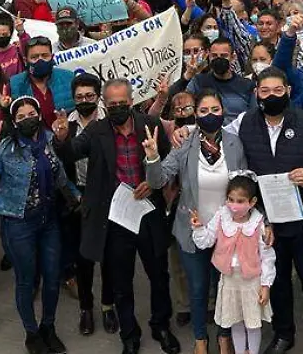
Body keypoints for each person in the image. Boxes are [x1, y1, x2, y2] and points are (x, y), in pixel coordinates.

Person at [54, 79, 182, 354]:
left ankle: (161, 325)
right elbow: (70, 154)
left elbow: (169, 164)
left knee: (159, 275)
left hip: (149, 212)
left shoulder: (151, 124)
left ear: (131, 100)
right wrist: (62, 137)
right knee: (121, 280)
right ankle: (129, 334)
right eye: (111, 104)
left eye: (122, 103)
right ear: (104, 103)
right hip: (117, 217)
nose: (117, 108)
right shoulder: (96, 131)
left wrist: (154, 180)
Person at [231, 68, 303, 354]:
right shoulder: (243, 122)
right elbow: (215, 137)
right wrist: (183, 130)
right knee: (276, 282)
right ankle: (283, 333)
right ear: (256, 94)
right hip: (268, 222)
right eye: (265, 91)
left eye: (278, 91)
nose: (271, 96)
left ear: (288, 91)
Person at [145, 90, 249, 354]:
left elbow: (246, 185)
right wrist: (153, 157)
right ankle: (201, 338)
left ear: (223, 112)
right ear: (196, 114)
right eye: (203, 111)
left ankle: (224, 336)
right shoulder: (184, 145)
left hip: (227, 232)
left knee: (224, 288)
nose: (210, 115)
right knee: (198, 287)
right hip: (192, 230)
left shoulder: (236, 143)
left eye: (215, 110)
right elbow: (158, 181)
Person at [0, 97, 69, 354]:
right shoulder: (6, 147)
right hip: (18, 223)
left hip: (48, 220)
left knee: (52, 278)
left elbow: (60, 175)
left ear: (39, 115)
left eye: (32, 113)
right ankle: (32, 332)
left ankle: (48, 326)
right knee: (26, 280)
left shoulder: (49, 139)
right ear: (14, 122)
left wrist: (61, 143)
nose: (28, 119)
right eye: (21, 116)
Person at [191, 175, 277, 354]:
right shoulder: (222, 216)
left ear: (252, 202)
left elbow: (267, 256)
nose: (234, 205)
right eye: (231, 199)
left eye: (240, 201)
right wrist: (199, 228)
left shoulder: (258, 223)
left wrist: (265, 285)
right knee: (236, 321)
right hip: (229, 281)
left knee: (253, 324)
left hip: (252, 282)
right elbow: (206, 241)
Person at [57, 74, 116, 337]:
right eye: (79, 97)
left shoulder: (110, 121)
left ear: (98, 96)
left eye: (89, 96)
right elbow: (60, 163)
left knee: (108, 256)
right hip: (77, 198)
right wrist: (60, 139)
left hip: (107, 197)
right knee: (83, 259)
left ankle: (107, 304)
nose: (84, 101)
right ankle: (86, 308)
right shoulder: (65, 125)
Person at [9, 37, 75, 128]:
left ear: (52, 57)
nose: (40, 60)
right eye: (34, 57)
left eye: (45, 56)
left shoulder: (69, 78)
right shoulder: (15, 84)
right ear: (25, 61)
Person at [187, 38, 257, 118]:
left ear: (233, 57)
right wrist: (187, 76)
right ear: (209, 56)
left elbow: (254, 116)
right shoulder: (198, 81)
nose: (219, 59)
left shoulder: (247, 85)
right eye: (214, 56)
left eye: (224, 56)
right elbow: (181, 103)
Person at [0, 12, 29, 79]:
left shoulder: (18, 49)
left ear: (10, 34)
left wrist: (21, 32)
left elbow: (29, 48)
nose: (1, 37)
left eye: (4, 34)